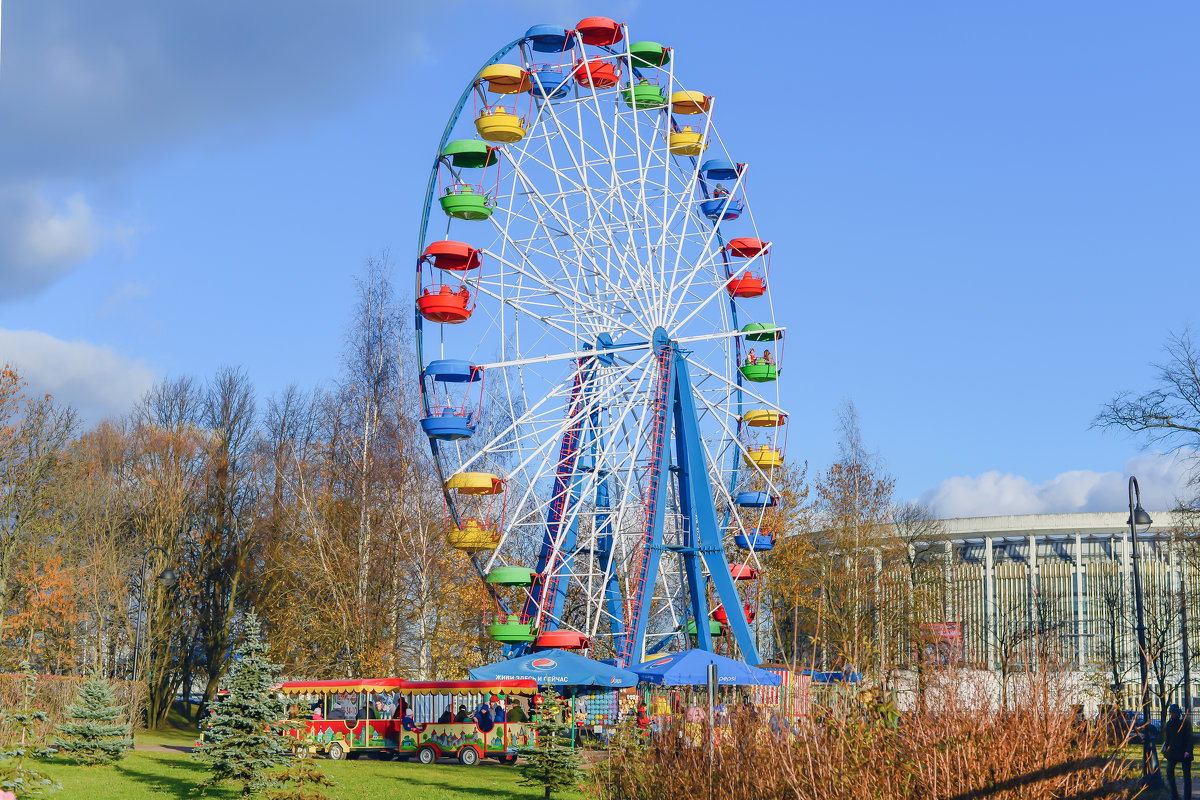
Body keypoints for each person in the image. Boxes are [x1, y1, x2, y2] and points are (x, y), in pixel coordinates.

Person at [1163, 703, 1193, 800]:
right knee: (1169, 771)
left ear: (1178, 713)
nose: (1172, 715)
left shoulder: (1186, 723)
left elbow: (1190, 738)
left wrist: (1188, 751)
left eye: (1174, 713)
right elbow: (1167, 739)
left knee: (1187, 775)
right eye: (1171, 713)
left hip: (1184, 752)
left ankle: (1187, 797)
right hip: (1173, 752)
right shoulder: (1169, 724)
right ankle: (1174, 795)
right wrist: (1166, 750)